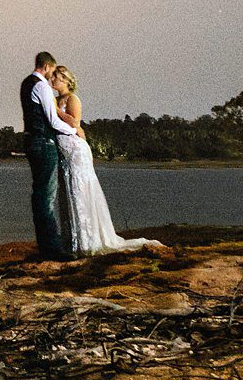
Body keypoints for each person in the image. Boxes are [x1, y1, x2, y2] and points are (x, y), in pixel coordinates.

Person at [49, 64, 160, 255]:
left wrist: (56, 110)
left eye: (56, 78)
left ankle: (86, 240)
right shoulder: (55, 99)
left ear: (65, 81)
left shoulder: (72, 99)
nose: (52, 81)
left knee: (79, 189)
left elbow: (75, 123)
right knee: (68, 190)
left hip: (76, 151)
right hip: (64, 153)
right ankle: (72, 240)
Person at [20, 51, 79, 257]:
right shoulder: (41, 86)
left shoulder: (26, 83)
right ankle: (52, 249)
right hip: (44, 143)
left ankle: (45, 245)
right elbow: (53, 121)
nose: (52, 76)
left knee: (39, 195)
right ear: (46, 66)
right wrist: (74, 132)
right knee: (46, 196)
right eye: (52, 71)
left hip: (31, 142)